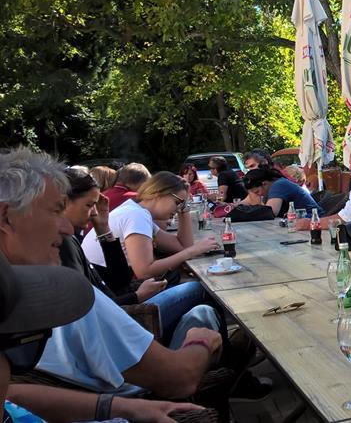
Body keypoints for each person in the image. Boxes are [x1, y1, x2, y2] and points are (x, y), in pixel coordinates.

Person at [0, 147, 222, 399]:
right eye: (55, 210)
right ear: (6, 218)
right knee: (202, 308)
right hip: (141, 389)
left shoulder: (20, 291)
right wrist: (201, 340)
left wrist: (104, 229)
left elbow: (119, 280)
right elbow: (179, 379)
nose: (66, 228)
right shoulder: (62, 288)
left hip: (108, 376)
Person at [80, 172, 220, 281]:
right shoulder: (137, 215)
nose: (179, 209)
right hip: (116, 297)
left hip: (110, 290)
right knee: (199, 288)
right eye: (178, 203)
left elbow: (182, 245)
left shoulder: (136, 210)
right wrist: (193, 251)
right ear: (158, 193)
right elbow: (145, 272)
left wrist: (185, 207)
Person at [243, 167, 320, 218]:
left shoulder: (278, 185)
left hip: (314, 220)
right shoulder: (274, 185)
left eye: (257, 192)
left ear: (264, 184)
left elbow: (270, 212)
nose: (258, 195)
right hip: (303, 220)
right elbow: (245, 203)